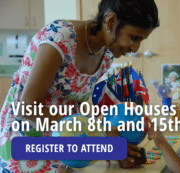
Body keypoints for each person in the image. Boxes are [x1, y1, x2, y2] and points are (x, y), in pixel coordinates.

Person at [0, 0, 159, 172]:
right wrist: (96, 136)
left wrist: (108, 133)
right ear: (111, 21)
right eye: (134, 37)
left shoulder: (106, 55)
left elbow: (75, 102)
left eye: (141, 40)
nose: (135, 48)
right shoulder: (60, 38)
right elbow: (27, 108)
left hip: (66, 143)